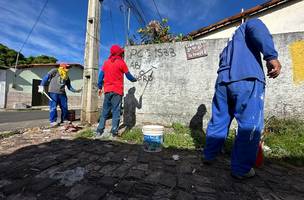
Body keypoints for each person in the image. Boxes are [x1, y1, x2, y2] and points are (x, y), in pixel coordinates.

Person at [203, 18, 281, 179]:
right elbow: (257, 27)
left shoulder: (228, 46)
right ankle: (241, 169)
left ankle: (209, 155)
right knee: (250, 124)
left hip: (223, 82)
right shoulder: (249, 24)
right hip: (247, 78)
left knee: (219, 120)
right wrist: (271, 56)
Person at [96, 45, 137, 137]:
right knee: (116, 111)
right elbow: (129, 76)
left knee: (105, 111)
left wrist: (99, 87)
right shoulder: (122, 63)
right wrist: (134, 80)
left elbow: (100, 77)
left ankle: (99, 130)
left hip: (107, 91)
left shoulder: (106, 63)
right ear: (119, 53)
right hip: (117, 91)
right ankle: (114, 131)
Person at [39, 63, 82, 127]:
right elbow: (46, 77)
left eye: (68, 68)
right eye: (67, 67)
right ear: (62, 67)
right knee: (53, 107)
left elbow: (69, 86)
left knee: (65, 107)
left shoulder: (66, 76)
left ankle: (64, 119)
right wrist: (41, 85)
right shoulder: (55, 71)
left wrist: (76, 91)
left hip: (62, 93)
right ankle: (53, 121)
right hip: (53, 92)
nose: (68, 69)